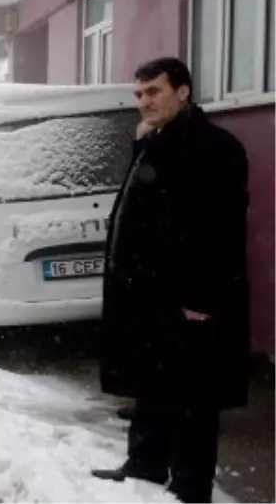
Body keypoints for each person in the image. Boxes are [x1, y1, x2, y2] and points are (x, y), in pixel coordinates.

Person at [92, 57, 250, 504]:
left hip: (190, 295)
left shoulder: (215, 147)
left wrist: (201, 295)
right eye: (139, 94)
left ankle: (189, 486)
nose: (144, 101)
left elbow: (220, 229)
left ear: (183, 91)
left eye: (154, 91)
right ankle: (144, 463)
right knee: (153, 382)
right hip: (150, 292)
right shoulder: (158, 140)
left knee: (193, 396)